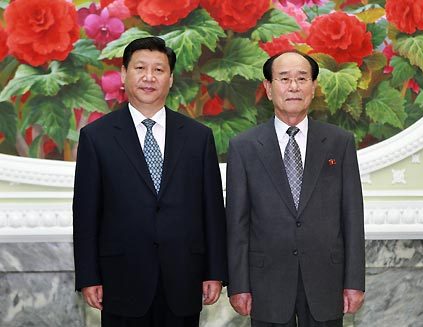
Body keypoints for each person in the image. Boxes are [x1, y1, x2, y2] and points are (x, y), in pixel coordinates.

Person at [73, 36, 227, 327]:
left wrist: (214, 270)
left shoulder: (198, 137)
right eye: (140, 68)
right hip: (121, 279)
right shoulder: (97, 137)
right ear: (123, 74)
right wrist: (88, 276)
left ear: (170, 79)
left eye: (159, 70)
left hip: (184, 277)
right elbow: (86, 213)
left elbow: (212, 210)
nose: (149, 77)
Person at [226, 51, 365, 327]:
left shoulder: (340, 142)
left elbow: (352, 217)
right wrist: (238, 285)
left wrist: (354, 281)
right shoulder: (244, 147)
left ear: (314, 87)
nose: (293, 87)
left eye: (302, 79)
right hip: (267, 283)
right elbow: (237, 223)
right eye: (284, 79)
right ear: (268, 88)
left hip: (326, 280)